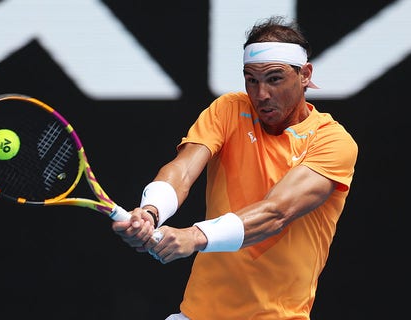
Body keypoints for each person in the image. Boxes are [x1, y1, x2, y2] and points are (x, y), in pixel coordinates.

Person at [112, 15, 358, 320]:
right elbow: (184, 169)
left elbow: (276, 212)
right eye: (251, 80)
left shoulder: (332, 141)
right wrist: (151, 211)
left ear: (305, 75)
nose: (261, 94)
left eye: (275, 78)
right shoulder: (229, 109)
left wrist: (195, 236)